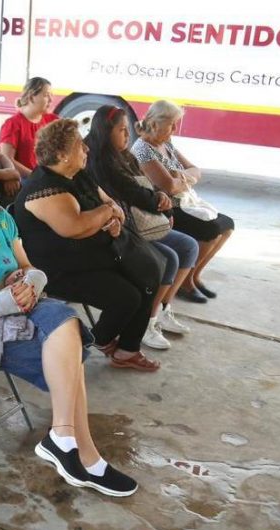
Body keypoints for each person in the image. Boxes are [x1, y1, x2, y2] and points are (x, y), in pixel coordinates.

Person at [0, 133, 139, 497]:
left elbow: (28, 266)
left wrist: (31, 280)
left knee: (66, 321)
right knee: (71, 360)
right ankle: (87, 457)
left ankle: (64, 438)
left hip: (17, 306)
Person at [14, 119, 162, 372]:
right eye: (80, 145)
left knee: (145, 279)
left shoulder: (78, 175)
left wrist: (107, 217)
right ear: (61, 155)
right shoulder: (43, 189)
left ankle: (127, 348)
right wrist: (105, 216)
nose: (87, 149)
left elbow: (113, 207)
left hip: (91, 254)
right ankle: (95, 341)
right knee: (128, 296)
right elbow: (75, 227)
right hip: (59, 268)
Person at [84, 105, 198, 350]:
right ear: (106, 131)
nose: (128, 135)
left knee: (187, 247)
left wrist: (163, 203)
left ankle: (160, 311)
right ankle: (146, 322)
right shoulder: (100, 160)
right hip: (123, 228)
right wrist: (160, 201)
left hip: (139, 222)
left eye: (128, 130)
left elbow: (149, 185)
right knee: (168, 259)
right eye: (122, 130)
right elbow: (132, 191)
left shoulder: (123, 154)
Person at [131, 100, 235, 301]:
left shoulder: (166, 143)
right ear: (155, 124)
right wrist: (184, 178)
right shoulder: (142, 149)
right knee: (211, 231)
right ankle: (185, 283)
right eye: (172, 124)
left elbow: (196, 170)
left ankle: (194, 276)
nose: (175, 129)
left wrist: (180, 176)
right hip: (166, 207)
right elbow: (168, 187)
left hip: (185, 202)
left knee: (227, 225)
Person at [0, 77, 59, 179]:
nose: (50, 100)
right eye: (46, 95)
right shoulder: (13, 124)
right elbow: (6, 158)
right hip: (26, 178)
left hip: (46, 176)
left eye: (51, 96)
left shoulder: (52, 120)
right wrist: (35, 177)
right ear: (31, 97)